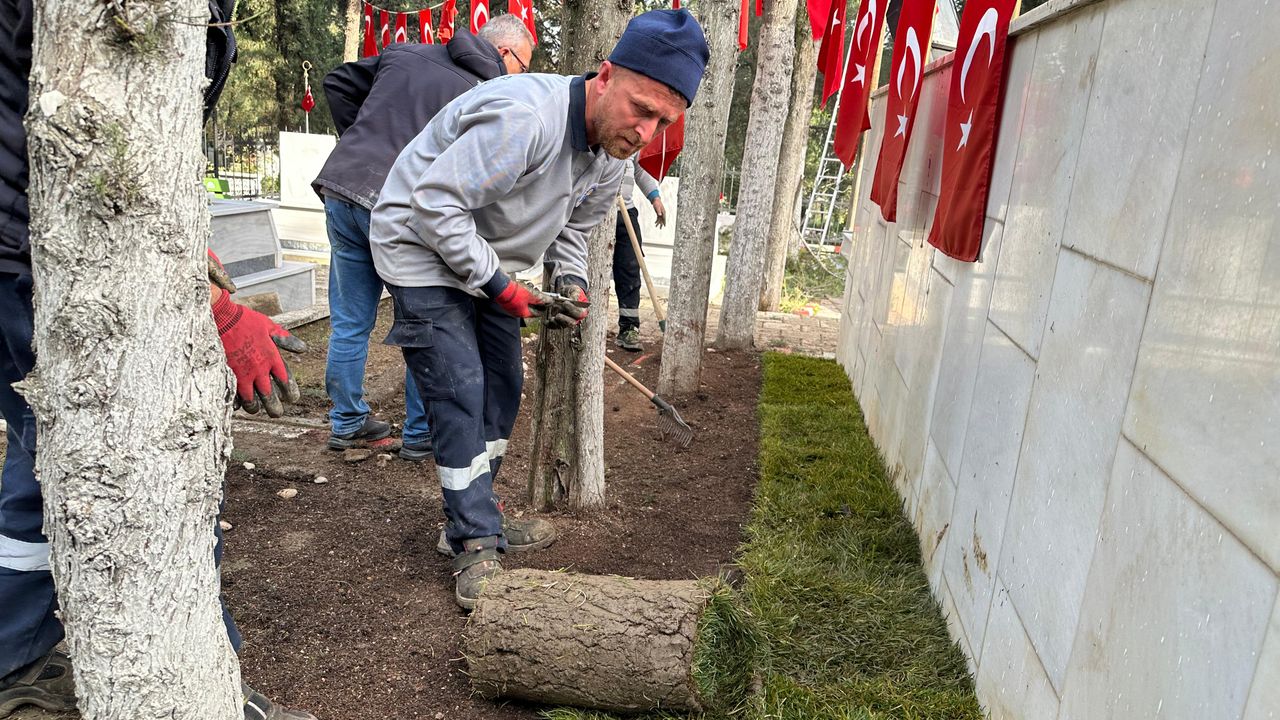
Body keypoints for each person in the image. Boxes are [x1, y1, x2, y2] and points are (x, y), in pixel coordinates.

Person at [0, 1, 314, 717]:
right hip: (34, 249)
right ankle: (200, 689)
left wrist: (188, 251)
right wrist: (211, 306)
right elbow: (94, 126)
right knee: (151, 449)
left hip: (25, 239)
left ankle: (16, 658)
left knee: (46, 442)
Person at [369, 8, 709, 609]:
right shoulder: (525, 119)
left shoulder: (613, 153)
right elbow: (434, 207)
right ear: (605, 75)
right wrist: (500, 287)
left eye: (663, 120)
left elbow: (574, 229)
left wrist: (572, 282)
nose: (646, 132)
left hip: (483, 258)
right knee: (459, 387)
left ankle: (479, 516)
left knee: (503, 385)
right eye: (641, 108)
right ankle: (474, 541)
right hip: (419, 246)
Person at [313, 17, 534, 460]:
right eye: (523, 67)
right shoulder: (490, 93)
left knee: (351, 320)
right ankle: (419, 434)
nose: (522, 78)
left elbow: (337, 81)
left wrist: (360, 139)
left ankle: (347, 423)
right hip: (400, 206)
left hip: (343, 186)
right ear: (505, 53)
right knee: (425, 317)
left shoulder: (406, 53)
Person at [612, 158, 666, 351]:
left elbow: (640, 169)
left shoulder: (635, 139)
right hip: (598, 209)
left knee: (630, 268)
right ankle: (584, 323)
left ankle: (629, 328)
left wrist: (655, 198)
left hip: (626, 211)